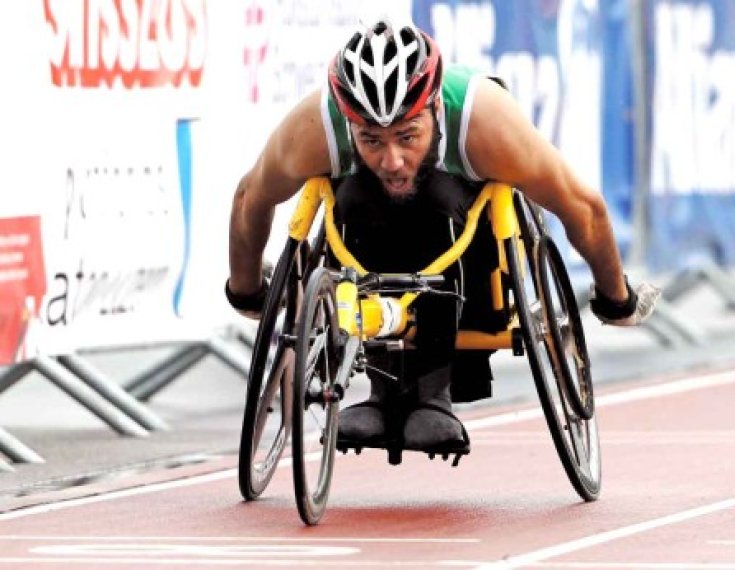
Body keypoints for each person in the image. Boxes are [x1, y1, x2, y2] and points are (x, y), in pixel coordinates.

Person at [225, 17, 659, 455]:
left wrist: (615, 296)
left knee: (436, 196)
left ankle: (434, 393)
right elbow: (250, 198)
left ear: (433, 109)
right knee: (354, 195)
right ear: (349, 122)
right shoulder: (317, 128)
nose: (392, 159)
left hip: (465, 237)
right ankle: (382, 390)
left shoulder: (484, 121)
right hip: (364, 225)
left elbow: (582, 207)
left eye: (407, 136)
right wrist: (246, 291)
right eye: (371, 140)